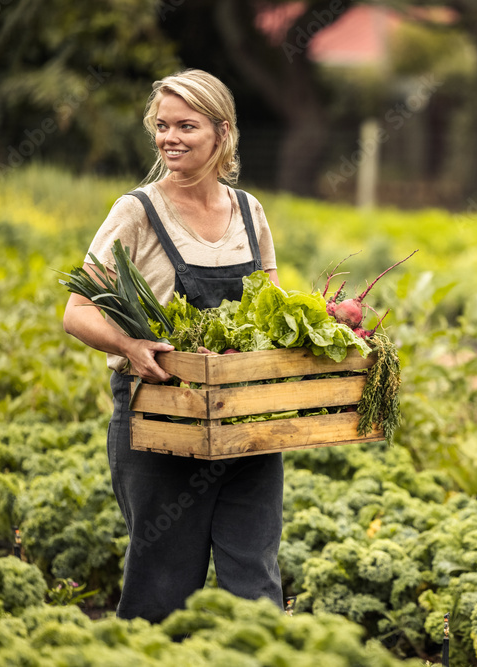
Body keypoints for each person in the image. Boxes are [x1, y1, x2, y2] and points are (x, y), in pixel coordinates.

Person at [63, 69, 284, 623]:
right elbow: (77, 311)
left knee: (254, 578)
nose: (170, 138)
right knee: (162, 583)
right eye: (162, 126)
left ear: (222, 132)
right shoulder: (136, 211)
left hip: (244, 421)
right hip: (160, 416)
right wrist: (133, 345)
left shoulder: (249, 211)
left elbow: (271, 308)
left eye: (186, 125)